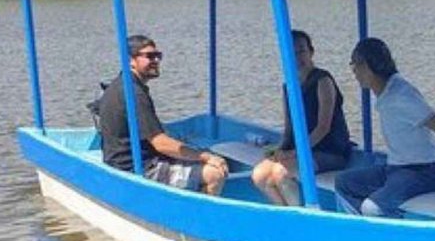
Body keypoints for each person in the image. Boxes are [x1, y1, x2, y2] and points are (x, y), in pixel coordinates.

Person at [333, 37, 435, 217]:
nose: (354, 73)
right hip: (396, 168)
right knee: (344, 182)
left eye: (354, 66)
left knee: (373, 207)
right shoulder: (385, 92)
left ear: (366, 66)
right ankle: (367, 231)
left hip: (422, 171)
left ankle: (391, 237)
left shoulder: (402, 95)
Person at [94, 34, 229, 195]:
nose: (156, 61)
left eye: (158, 56)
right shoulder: (134, 94)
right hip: (138, 168)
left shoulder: (119, 84)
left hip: (117, 161)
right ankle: (199, 217)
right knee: (214, 173)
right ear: (130, 60)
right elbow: (161, 144)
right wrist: (205, 156)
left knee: (188, 151)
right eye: (150, 56)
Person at [250, 30, 353, 205]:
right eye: (293, 52)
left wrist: (296, 152)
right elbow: (290, 127)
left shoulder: (323, 81)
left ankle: (300, 215)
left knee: (280, 173)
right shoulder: (289, 85)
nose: (298, 57)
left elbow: (323, 127)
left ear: (311, 52)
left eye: (302, 51)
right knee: (259, 174)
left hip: (329, 152)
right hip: (301, 151)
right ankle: (287, 215)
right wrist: (281, 150)